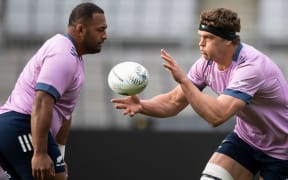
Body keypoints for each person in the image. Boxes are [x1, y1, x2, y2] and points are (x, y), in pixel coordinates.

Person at [111, 8, 288, 180]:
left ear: (228, 40)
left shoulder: (251, 67)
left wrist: (184, 81)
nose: (201, 44)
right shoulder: (205, 64)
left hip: (283, 149)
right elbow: (173, 102)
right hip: (247, 139)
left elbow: (217, 116)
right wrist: (142, 105)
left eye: (208, 38)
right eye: (200, 37)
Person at [0, 2, 107, 180]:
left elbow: (65, 114)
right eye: (100, 29)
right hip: (21, 125)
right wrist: (40, 153)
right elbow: (42, 100)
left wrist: (59, 154)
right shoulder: (63, 55)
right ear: (80, 29)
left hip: (15, 126)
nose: (105, 36)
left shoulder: (73, 57)